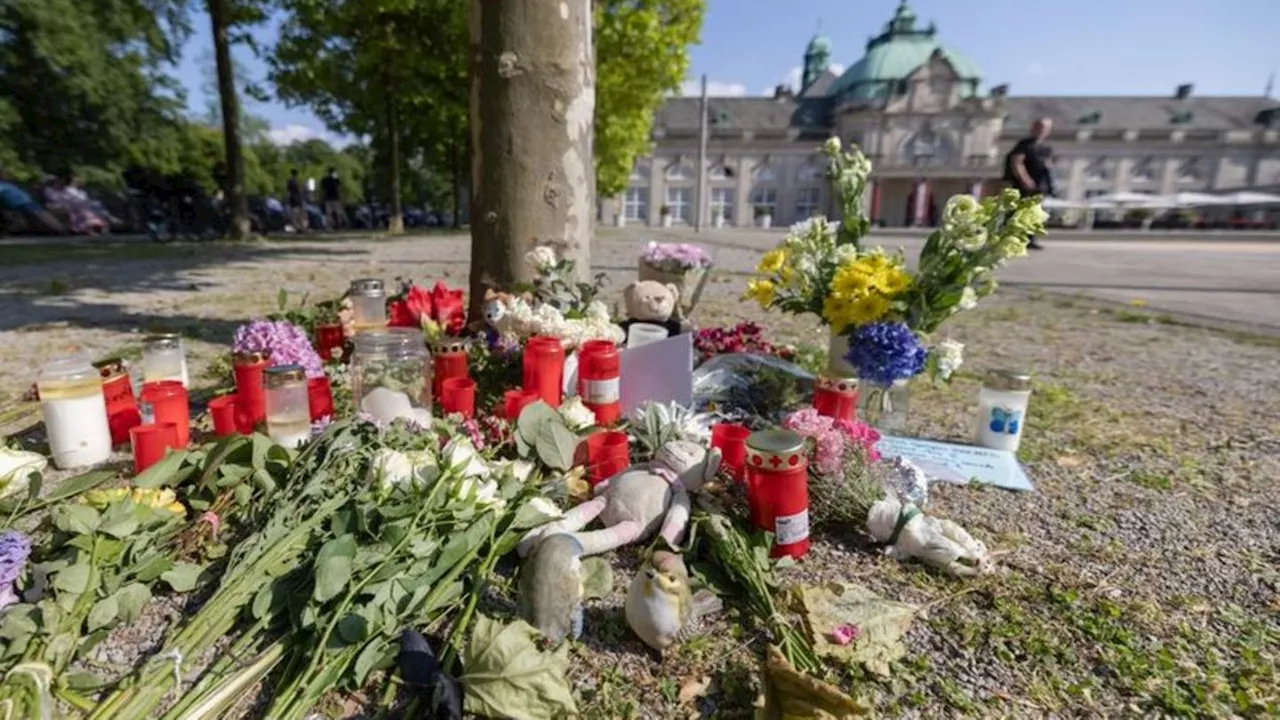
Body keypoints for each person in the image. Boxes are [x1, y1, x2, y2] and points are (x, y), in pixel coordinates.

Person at [1003, 117, 1055, 250]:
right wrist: (1025, 179)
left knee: (1034, 213)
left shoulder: (1046, 147)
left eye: (1045, 128)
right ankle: (1010, 238)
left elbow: (1048, 164)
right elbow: (1017, 162)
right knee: (1018, 211)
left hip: (1040, 184)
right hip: (1024, 185)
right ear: (1033, 128)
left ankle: (1030, 239)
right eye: (1039, 127)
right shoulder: (1024, 144)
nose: (1042, 131)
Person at [0, 168, 63, 234]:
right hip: (21, 203)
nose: (6, 176)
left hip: (23, 202)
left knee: (41, 215)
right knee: (41, 215)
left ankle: (60, 229)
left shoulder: (7, 185)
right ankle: (60, 229)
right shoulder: (5, 185)